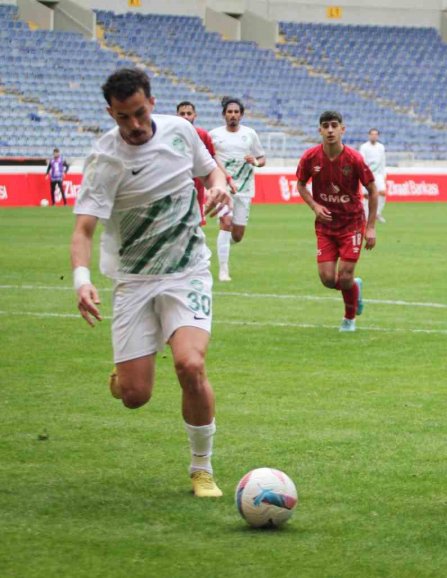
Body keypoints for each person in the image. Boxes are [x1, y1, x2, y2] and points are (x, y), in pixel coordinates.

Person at [70, 68, 232, 497]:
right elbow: (83, 229)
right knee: (135, 395)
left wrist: (217, 189)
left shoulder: (182, 132)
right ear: (111, 113)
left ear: (152, 102)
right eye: (125, 118)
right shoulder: (105, 160)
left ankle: (202, 469)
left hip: (187, 271)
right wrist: (82, 280)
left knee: (190, 365)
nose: (135, 125)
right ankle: (124, 377)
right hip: (135, 281)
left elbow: (213, 173)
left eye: (140, 113)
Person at [296, 111, 378, 332]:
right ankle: (354, 288)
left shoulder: (354, 159)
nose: (330, 130)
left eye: (334, 125)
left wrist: (370, 227)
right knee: (327, 279)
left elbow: (372, 189)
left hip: (351, 224)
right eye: (326, 126)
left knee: (345, 276)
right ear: (320, 130)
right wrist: (315, 205)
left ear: (343, 129)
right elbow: (301, 184)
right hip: (325, 226)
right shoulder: (310, 158)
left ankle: (349, 319)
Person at [209, 97, 266, 282]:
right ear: (224, 114)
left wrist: (255, 161)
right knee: (225, 223)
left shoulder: (250, 134)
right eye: (229, 112)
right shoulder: (214, 135)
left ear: (241, 115)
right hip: (224, 187)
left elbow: (262, 158)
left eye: (236, 112)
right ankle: (223, 270)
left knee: (238, 235)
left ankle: (222, 246)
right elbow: (209, 158)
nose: (232, 115)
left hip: (245, 188)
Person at [176, 101, 235, 226]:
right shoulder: (171, 136)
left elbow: (213, 159)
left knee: (196, 224)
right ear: (177, 115)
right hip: (176, 186)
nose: (186, 116)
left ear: (195, 115)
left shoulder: (202, 135)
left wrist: (227, 179)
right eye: (182, 114)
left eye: (189, 113)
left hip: (197, 186)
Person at [359, 128, 387, 223]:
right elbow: (362, 161)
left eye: (375, 134)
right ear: (369, 135)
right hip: (367, 174)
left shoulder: (381, 147)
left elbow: (383, 161)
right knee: (367, 195)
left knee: (382, 192)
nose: (374, 136)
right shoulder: (364, 147)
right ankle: (366, 215)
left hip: (378, 174)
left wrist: (384, 174)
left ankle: (377, 213)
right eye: (372, 134)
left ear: (378, 136)